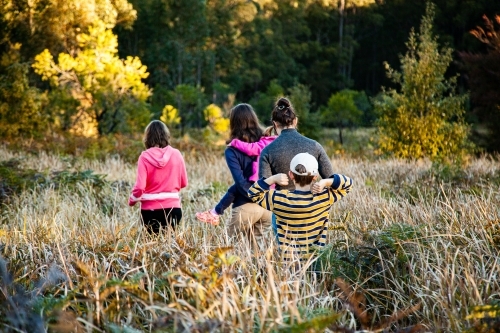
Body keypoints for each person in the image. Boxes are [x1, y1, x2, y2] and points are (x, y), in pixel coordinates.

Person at [248, 152, 352, 261]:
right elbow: (348, 183)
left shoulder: (279, 199)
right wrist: (325, 182)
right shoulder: (324, 197)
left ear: (291, 175)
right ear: (315, 177)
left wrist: (272, 179)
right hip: (316, 260)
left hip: (290, 263)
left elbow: (253, 193)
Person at [204, 103, 272, 243]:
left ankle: (215, 213)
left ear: (233, 123)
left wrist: (254, 197)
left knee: (228, 249)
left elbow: (240, 183)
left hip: (246, 207)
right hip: (267, 209)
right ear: (254, 119)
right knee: (254, 254)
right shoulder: (266, 141)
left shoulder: (232, 150)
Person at [195, 126, 277, 225]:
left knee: (233, 190)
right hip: (269, 192)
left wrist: (234, 142)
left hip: (257, 180)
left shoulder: (265, 143)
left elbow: (251, 149)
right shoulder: (277, 144)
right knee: (256, 239)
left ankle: (215, 213)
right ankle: (215, 213)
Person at [259, 97, 334, 189]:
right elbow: (332, 180)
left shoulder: (267, 151)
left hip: (281, 202)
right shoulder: (315, 146)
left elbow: (261, 190)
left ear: (274, 124)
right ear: (295, 121)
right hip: (311, 202)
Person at [129, 120, 188, 234]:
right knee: (170, 247)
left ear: (147, 137)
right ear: (166, 136)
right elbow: (184, 182)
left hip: (150, 211)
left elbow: (140, 187)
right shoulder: (176, 154)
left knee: (152, 248)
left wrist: (132, 200)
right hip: (174, 209)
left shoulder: (144, 157)